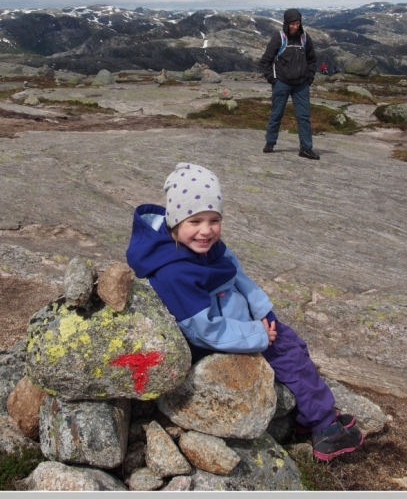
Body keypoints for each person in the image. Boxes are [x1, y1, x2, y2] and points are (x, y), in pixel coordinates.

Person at [126, 163, 365, 461]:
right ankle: (325, 427)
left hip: (242, 321)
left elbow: (237, 274)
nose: (206, 230)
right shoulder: (173, 273)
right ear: (175, 221)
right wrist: (258, 335)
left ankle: (307, 412)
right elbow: (203, 330)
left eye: (214, 220)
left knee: (294, 344)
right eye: (195, 220)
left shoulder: (203, 246)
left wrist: (263, 311)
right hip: (223, 337)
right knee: (289, 355)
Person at [259, 8, 319, 160]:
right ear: (286, 23)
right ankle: (270, 143)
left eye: (297, 23)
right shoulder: (279, 37)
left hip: (301, 84)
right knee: (276, 114)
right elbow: (266, 61)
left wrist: (309, 78)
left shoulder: (304, 38)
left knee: (304, 117)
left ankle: (306, 148)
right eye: (292, 24)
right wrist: (273, 79)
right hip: (282, 83)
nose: (295, 26)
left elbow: (312, 59)